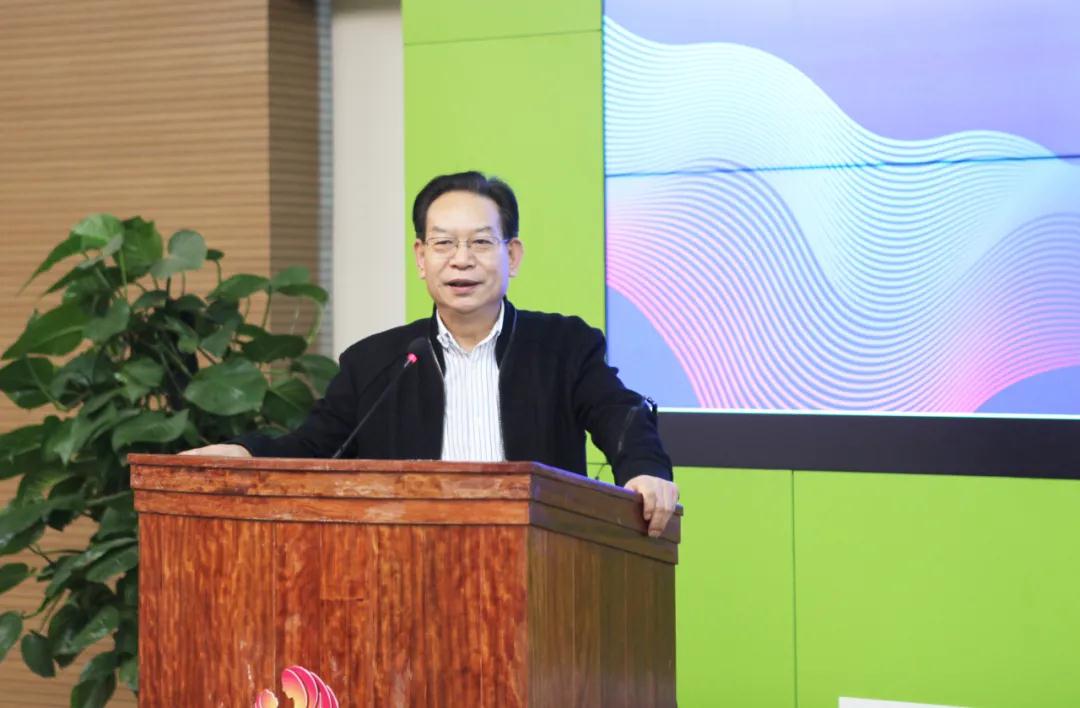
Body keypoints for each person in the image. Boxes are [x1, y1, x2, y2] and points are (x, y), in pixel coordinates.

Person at [182, 171, 679, 536]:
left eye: (480, 242)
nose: (461, 260)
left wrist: (645, 472)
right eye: (444, 244)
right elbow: (315, 448)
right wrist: (244, 452)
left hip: (540, 566)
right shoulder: (377, 362)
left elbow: (619, 414)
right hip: (406, 569)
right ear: (422, 258)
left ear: (512, 255)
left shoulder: (563, 346)